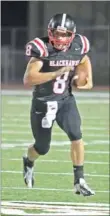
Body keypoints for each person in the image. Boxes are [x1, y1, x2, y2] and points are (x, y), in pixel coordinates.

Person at [23, 13, 95, 196]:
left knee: (76, 135)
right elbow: (29, 78)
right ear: (50, 32)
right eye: (57, 33)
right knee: (42, 147)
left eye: (65, 34)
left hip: (65, 100)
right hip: (43, 103)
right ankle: (28, 161)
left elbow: (84, 59)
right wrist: (58, 72)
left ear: (72, 35)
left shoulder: (79, 45)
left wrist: (88, 79)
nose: (60, 38)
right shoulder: (43, 48)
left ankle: (79, 180)